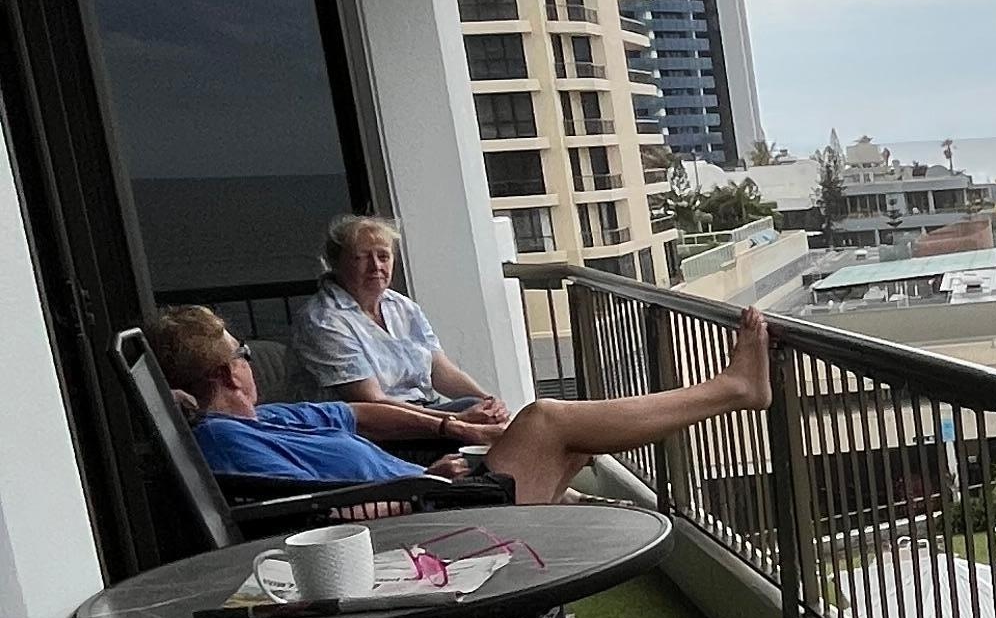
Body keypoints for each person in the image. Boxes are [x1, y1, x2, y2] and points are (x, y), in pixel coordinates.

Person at [149, 303, 771, 509]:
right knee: (546, 419)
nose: (252, 362)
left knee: (574, 437)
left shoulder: (264, 418)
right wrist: (419, 487)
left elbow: (359, 416)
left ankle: (582, 520)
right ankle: (732, 391)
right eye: (242, 355)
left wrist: (450, 428)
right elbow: (313, 520)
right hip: (429, 526)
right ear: (228, 371)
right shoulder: (228, 443)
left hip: (434, 495)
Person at [289, 212, 510, 436]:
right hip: (373, 433)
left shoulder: (401, 306)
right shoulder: (323, 320)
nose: (375, 266)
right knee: (496, 431)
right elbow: (372, 402)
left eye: (383, 257)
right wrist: (458, 420)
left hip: (429, 413)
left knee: (491, 413)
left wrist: (490, 402)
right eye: (362, 257)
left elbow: (441, 370)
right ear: (335, 263)